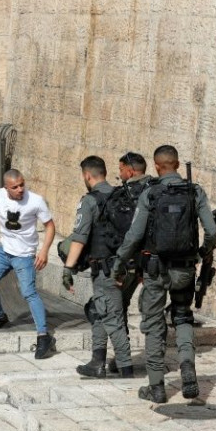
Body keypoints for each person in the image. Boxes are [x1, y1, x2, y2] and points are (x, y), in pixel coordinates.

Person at [111, 145, 216, 403]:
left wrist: (118, 263)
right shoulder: (195, 192)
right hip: (184, 268)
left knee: (154, 325)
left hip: (155, 270)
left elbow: (134, 235)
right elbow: (212, 230)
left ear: (157, 166)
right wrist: (204, 251)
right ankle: (188, 371)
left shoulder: (150, 193)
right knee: (182, 318)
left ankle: (157, 387)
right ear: (178, 165)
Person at [62, 156, 134, 379]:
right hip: (128, 267)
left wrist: (68, 268)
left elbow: (79, 238)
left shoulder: (90, 201)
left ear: (87, 175)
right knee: (100, 312)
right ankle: (97, 361)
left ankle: (126, 367)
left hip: (106, 269)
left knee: (113, 318)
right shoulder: (124, 196)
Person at [0, 170, 57, 359]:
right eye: (15, 187)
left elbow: (50, 226)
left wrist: (44, 251)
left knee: (28, 292)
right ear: (6, 188)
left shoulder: (35, 201)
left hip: (25, 254)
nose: (20, 189)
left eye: (22, 185)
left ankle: (43, 336)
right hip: (4, 250)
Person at [86, 152, 152, 372]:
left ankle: (123, 364)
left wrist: (118, 265)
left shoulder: (124, 194)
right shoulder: (155, 190)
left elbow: (127, 235)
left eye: (121, 169)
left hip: (118, 265)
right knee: (108, 309)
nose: (119, 174)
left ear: (130, 171)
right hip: (143, 265)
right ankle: (99, 361)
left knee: (109, 312)